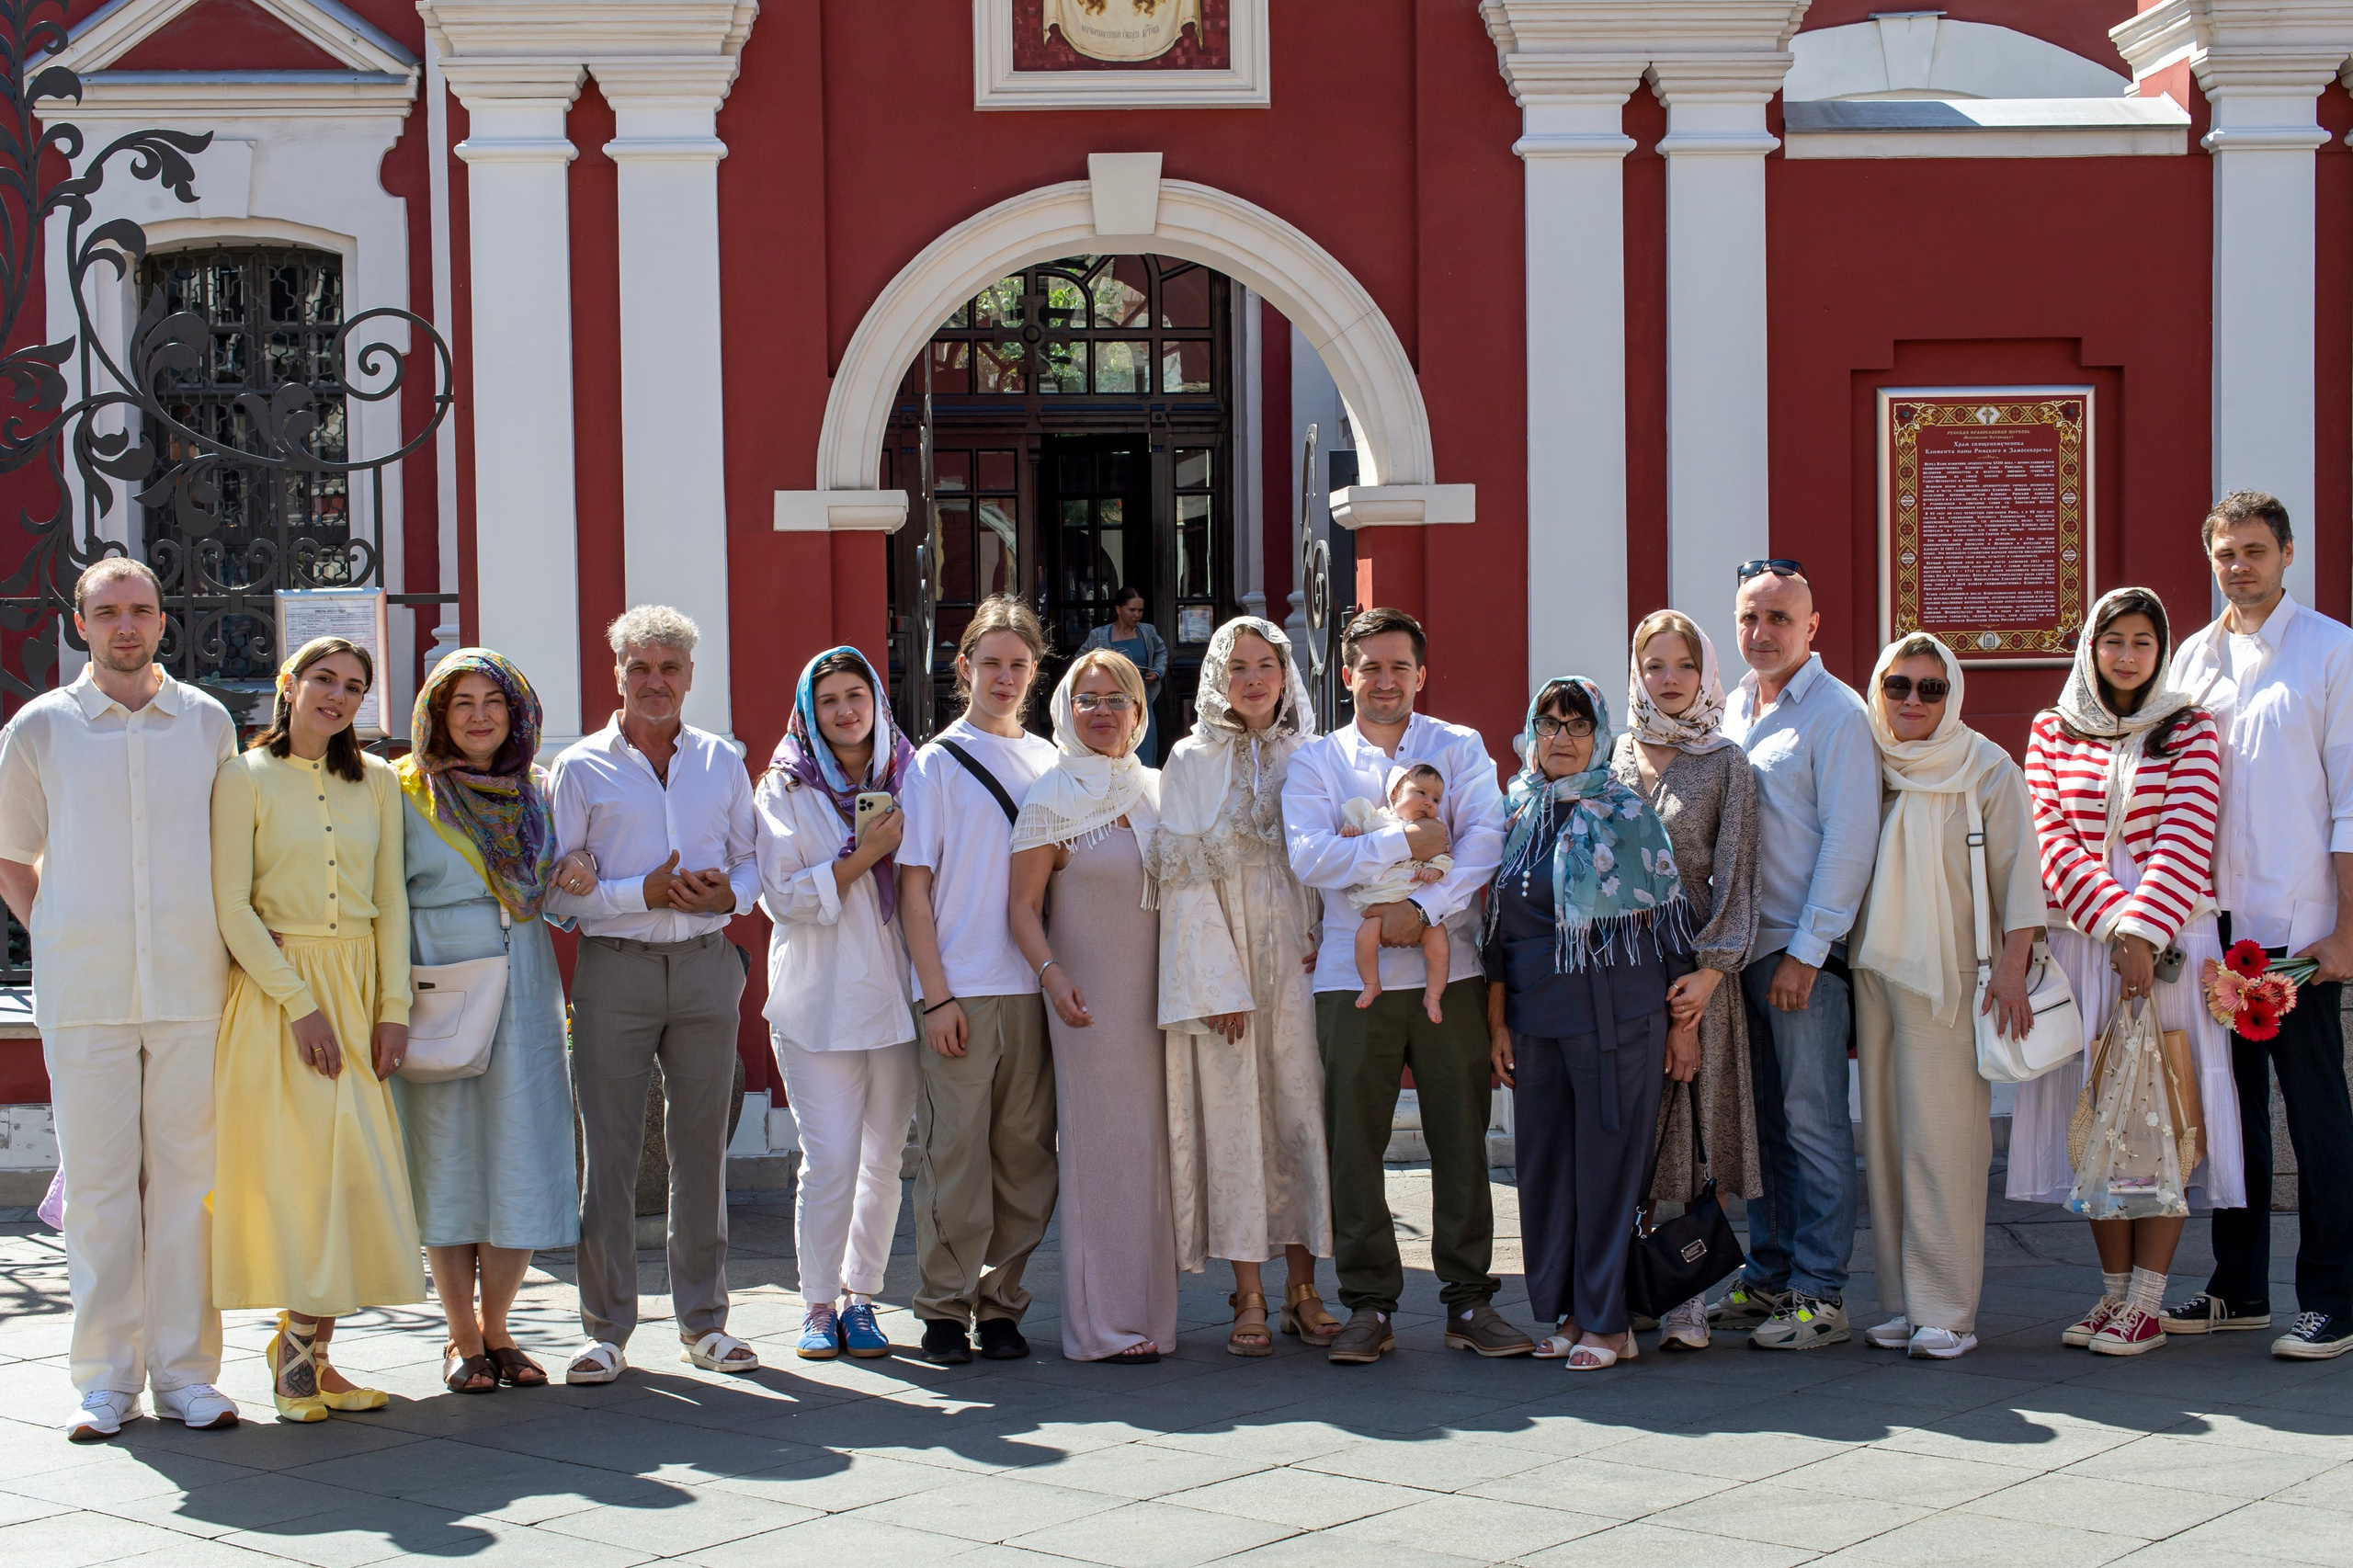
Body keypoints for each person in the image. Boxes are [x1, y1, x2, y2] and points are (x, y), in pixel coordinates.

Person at [0, 560, 239, 1440]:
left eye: (140, 610)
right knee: (101, 1191)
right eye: (108, 613)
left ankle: (186, 1376)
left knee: (190, 1187)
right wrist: (56, 927)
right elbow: (9, 851)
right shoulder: (41, 730)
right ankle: (106, 1380)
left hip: (189, 986)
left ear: (163, 620)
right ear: (81, 624)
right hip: (86, 990)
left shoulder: (206, 722)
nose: (125, 627)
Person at [1284, 607, 1529, 1363]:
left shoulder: (1456, 747)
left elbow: (1485, 843)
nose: (1384, 680)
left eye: (1399, 667)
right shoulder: (1316, 761)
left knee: (1461, 1134)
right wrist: (1407, 841)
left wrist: (1419, 907)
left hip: (1446, 970)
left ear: (1421, 675)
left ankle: (1468, 1301)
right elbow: (1309, 856)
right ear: (1347, 675)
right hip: (1346, 979)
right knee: (1353, 1143)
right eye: (1370, 667)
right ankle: (1369, 1304)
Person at [2014, 586, 2239, 1356]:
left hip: (2170, 943)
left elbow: (2187, 831)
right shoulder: (2052, 729)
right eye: (2114, 640)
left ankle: (2149, 1298)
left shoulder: (2190, 729)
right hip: (2085, 939)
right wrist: (2114, 926)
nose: (2127, 655)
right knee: (2101, 1113)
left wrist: (2143, 932)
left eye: (2143, 641)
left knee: (2160, 1114)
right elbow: (2049, 837)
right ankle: (2110, 1295)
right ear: (2091, 645)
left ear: (2160, 650)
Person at [544, 606, 759, 1384]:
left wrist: (723, 899)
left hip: (705, 965)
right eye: (641, 668)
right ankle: (605, 1330)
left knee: (703, 1151)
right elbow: (559, 894)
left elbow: (751, 863)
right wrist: (645, 890)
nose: (655, 682)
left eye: (670, 668)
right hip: (616, 971)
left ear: (691, 677)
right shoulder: (580, 768)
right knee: (607, 1152)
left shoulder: (722, 760)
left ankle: (705, 1325)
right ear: (617, 675)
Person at [211, 635, 424, 1421]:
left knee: (352, 1176)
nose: (337, 697)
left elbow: (392, 902)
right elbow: (232, 905)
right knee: (304, 1180)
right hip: (279, 997)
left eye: (354, 687)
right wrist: (300, 1006)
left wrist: (392, 1009)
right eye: (324, 680)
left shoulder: (376, 782)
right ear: (289, 686)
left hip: (359, 985)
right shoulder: (243, 776)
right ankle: (296, 1363)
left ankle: (309, 1354)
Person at [2167, 492, 2353, 1359]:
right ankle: (2236, 1288)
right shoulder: (2190, 664)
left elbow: (2350, 804)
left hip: (2298, 931)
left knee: (2316, 1118)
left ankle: (2333, 1297)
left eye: (2253, 550)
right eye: (2224, 553)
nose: (2238, 566)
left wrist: (2347, 930)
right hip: (2213, 931)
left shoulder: (2330, 653)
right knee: (2229, 1118)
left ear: (2286, 554)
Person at [1847, 635, 2044, 1359]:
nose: (1912, 702)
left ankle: (1947, 1310)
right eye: (1899, 685)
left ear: (1953, 694)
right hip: (1877, 972)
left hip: (1955, 978)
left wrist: (2014, 968)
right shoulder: (1869, 759)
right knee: (1890, 1142)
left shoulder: (1983, 766)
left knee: (1944, 1144)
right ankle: (1904, 1302)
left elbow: (2021, 875)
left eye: (1931, 689)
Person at [392, 649, 583, 1395]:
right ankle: (459, 1334)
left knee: (520, 1150)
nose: (477, 716)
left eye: (492, 702)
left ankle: (499, 1328)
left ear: (516, 714)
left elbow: (558, 896)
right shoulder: (406, 790)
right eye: (460, 702)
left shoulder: (537, 789)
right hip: (439, 981)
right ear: (437, 715)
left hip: (526, 982)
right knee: (447, 1153)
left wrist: (579, 874)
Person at [1488, 677, 1689, 1370]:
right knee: (1545, 1167)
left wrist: (1683, 1026)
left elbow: (1669, 923)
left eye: (1577, 725)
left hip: (1615, 1013)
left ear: (1599, 734)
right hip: (1535, 1013)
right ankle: (1570, 1309)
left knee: (1607, 1168)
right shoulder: (1517, 810)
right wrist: (1497, 1019)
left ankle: (1609, 1322)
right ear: (1531, 732)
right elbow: (1493, 924)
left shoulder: (1626, 810)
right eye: (1549, 723)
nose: (1562, 738)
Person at [1152, 617, 1338, 1355]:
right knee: (1232, 1122)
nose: (1254, 678)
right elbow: (1183, 883)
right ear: (1217, 678)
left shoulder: (1314, 756)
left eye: (1267, 665)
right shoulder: (1190, 760)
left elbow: (1331, 860)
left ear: (1287, 675)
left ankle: (1304, 1288)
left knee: (1300, 1114)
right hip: (1223, 972)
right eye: (1239, 667)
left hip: (1298, 962)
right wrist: (1216, 983)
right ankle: (1248, 1293)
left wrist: (1324, 937)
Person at [1716, 561, 1878, 1350]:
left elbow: (1849, 843)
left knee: (1812, 1122)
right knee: (1768, 1125)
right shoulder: (1736, 708)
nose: (1763, 633)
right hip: (1743, 951)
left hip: (1797, 955)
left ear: (1812, 627)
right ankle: (1771, 1272)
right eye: (1751, 617)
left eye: (1780, 618)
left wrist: (1808, 953)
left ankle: (1821, 1291)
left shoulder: (1837, 714)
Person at [898, 597, 1062, 1365]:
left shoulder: (1052, 762)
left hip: (1032, 990)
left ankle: (1001, 1303)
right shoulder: (934, 763)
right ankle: (941, 1307)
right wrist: (936, 995)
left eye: (1018, 664)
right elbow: (914, 892)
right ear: (963, 668)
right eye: (990, 662)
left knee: (1025, 1158)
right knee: (954, 1157)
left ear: (1034, 673)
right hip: (961, 986)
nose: (1004, 677)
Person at [1007, 649, 1179, 1361]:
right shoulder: (1051, 798)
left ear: (1140, 712)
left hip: (1161, 1002)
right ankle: (1099, 1326)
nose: (1102, 712)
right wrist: (1052, 976)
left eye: (1117, 699)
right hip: (1086, 1001)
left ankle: (1151, 1320)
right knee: (1099, 1153)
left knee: (1151, 1158)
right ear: (1065, 713)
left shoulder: (1163, 792)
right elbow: (1020, 908)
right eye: (1088, 700)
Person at [756, 646, 918, 1361]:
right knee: (829, 1161)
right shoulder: (784, 786)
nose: (845, 710)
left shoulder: (911, 774)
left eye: (857, 695)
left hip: (896, 997)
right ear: (809, 712)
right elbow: (784, 898)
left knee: (884, 1159)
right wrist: (863, 853)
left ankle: (862, 1298)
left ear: (877, 703)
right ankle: (817, 1303)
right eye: (829, 700)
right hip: (817, 1000)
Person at [1608, 610, 1762, 1353]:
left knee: (1699, 1124)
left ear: (1704, 675)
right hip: (1624, 968)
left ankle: (1689, 1296)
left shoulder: (1726, 762)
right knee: (1636, 1127)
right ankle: (1634, 1279)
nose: (1669, 681)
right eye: (1654, 666)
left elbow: (1738, 875)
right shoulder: (1611, 757)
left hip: (1701, 966)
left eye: (1683, 666)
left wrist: (1709, 973)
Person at [1342, 764, 1453, 1020]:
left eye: (1436, 799)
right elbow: (1355, 846)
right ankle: (1371, 983)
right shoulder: (1377, 821)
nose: (1428, 803)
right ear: (1394, 795)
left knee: (1440, 947)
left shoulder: (1436, 831)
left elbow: (1446, 859)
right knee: (1364, 939)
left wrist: (1434, 871)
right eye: (1421, 793)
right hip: (1381, 906)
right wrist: (1351, 832)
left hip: (1420, 905)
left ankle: (1433, 996)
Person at [1079, 585, 1167, 765]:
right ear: (1119, 609)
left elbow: (1161, 652)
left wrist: (1157, 672)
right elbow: (1081, 661)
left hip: (1141, 699)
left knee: (1144, 745)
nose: (1137, 615)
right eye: (1132, 610)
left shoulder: (1147, 632)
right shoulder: (1099, 636)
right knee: (1115, 745)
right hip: (1111, 700)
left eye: (1140, 610)